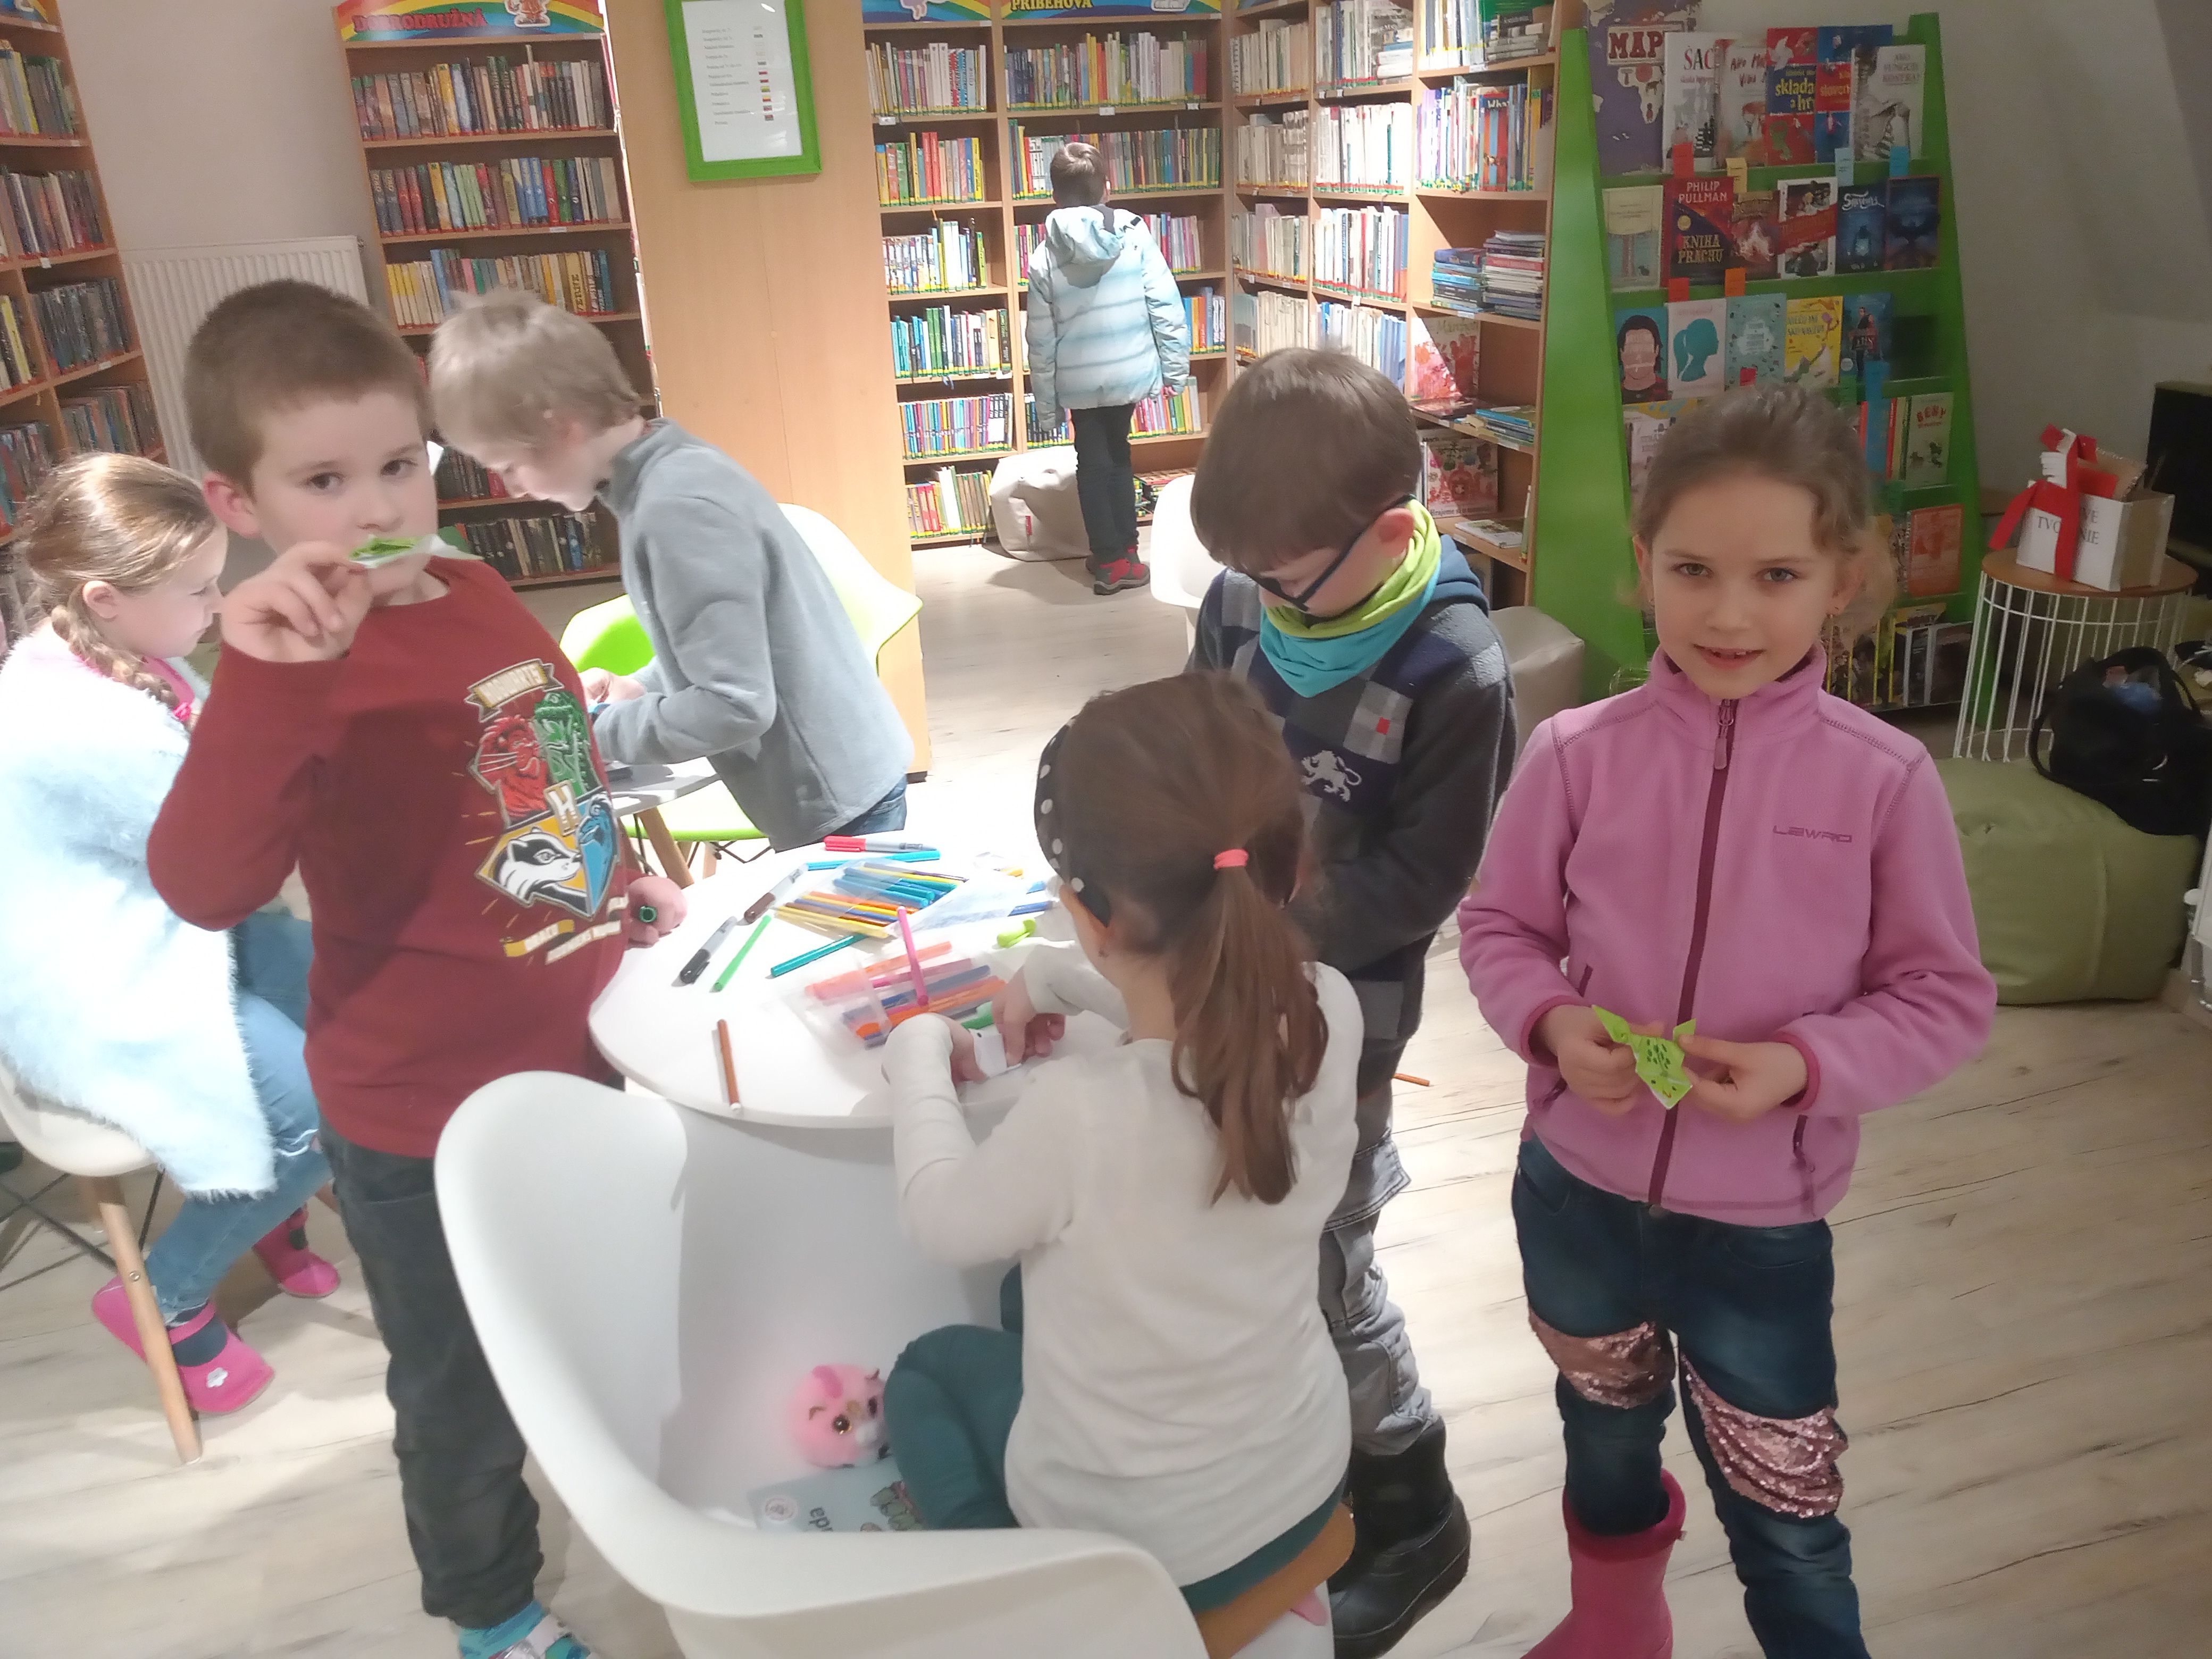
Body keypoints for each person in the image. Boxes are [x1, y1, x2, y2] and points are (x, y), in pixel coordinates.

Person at [146, 280, 686, 1659]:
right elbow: (202, 884)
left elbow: (546, 766)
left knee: (604, 1312)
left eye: (399, 463)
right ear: (240, 502)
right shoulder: (281, 664)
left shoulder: (476, 586)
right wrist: (269, 681)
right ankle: (490, 1607)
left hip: (579, 1047)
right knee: (459, 1389)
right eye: (324, 481)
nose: (380, 507)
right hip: (418, 1114)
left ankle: (644, 1497)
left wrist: (622, 888)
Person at [1458, 383, 1996, 1659]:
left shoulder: (1884, 779)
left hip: (1760, 1231)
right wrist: (1550, 1024)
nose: (1730, 613)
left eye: (1777, 575)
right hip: (1576, 1194)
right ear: (1643, 562)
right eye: (1692, 570)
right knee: (1601, 1439)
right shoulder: (1574, 754)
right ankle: (1616, 1623)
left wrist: (1806, 1066)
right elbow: (1498, 928)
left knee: (1786, 1516)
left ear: (1841, 579)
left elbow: (1943, 998)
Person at [878, 673, 1361, 1620]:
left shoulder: (1082, 1112)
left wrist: (918, 1055)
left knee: (929, 1368)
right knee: (1028, 1295)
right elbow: (1202, 1021)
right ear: (1287, 868)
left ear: (1091, 914)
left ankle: (1026, 1598)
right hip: (1306, 1478)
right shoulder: (1328, 1012)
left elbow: (938, 1219)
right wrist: (1058, 979)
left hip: (1144, 1552)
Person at [1187, 349, 1515, 1657]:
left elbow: (1426, 879)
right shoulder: (1240, 596)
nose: (1254, 596)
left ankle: (1412, 1502)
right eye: (1244, 573)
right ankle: (1306, 1462)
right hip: (1220, 979)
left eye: (1280, 578)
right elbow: (1198, 745)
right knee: (1244, 1223)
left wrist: (1270, 932)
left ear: (1387, 533)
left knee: (1329, 1251)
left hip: (1343, 1021)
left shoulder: (1456, 667)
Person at [0, 454, 337, 1413]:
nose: (217, 605)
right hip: (97, 977)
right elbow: (227, 859)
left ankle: (264, 1207)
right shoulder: (79, 720)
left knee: (351, 1014)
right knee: (328, 1104)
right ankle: (169, 1295)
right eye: (198, 590)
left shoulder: (120, 653)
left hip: (171, 923)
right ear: (105, 599)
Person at [426, 290, 912, 850]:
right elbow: (731, 647)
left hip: (832, 794)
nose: (513, 488)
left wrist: (584, 733)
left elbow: (734, 705)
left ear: (561, 428)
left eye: (510, 465)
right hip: (842, 772)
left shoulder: (674, 512)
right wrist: (640, 687)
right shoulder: (674, 468)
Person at [1024, 139, 1190, 596]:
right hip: (1128, 374)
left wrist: (1047, 406)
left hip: (1079, 382)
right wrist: (1175, 369)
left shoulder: (1044, 256)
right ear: (1108, 189)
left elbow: (1040, 338)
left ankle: (1111, 558)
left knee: (1093, 464)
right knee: (1119, 454)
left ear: (1054, 196)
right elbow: (1165, 306)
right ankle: (1127, 553)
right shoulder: (1135, 236)